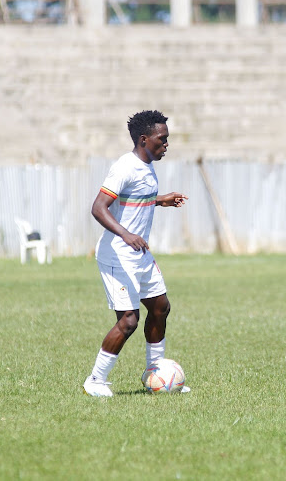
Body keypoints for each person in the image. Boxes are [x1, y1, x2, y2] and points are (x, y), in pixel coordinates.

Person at [83, 110, 189, 397]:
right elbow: (98, 207)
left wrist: (160, 200)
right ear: (144, 139)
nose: (166, 145)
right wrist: (126, 234)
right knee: (129, 320)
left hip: (138, 253)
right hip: (118, 254)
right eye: (162, 139)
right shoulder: (124, 167)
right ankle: (95, 381)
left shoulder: (147, 165)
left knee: (160, 308)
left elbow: (134, 198)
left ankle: (156, 371)